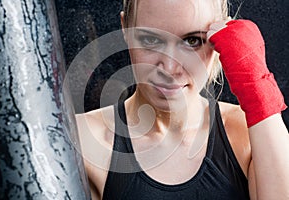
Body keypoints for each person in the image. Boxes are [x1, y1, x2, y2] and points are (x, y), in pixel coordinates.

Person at [76, 0, 289, 199]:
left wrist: (258, 89)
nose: (169, 68)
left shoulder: (249, 136)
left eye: (193, 41)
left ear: (221, 35)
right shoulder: (84, 139)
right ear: (125, 29)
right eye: (150, 39)